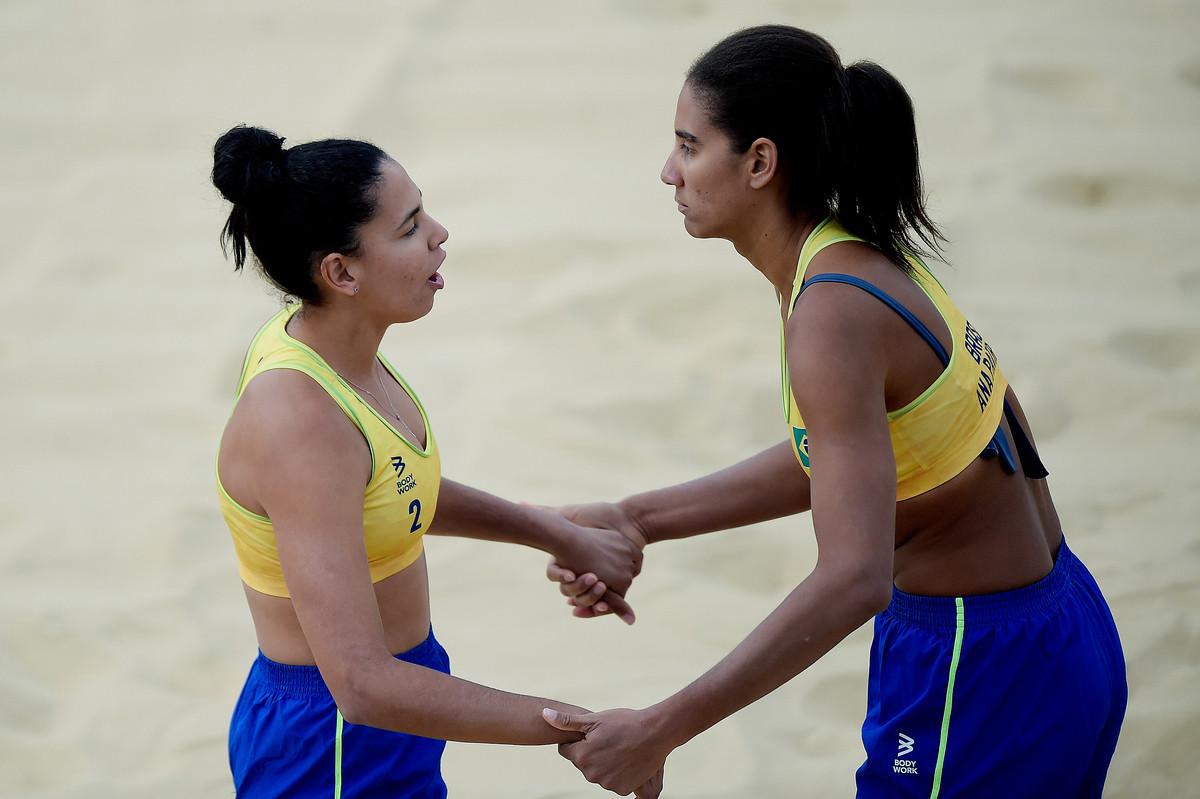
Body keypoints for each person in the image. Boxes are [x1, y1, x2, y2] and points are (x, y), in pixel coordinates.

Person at [542, 25, 1127, 798]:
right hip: (1059, 627)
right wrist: (637, 517)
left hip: (973, 667)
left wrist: (662, 726)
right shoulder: (854, 253)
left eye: (688, 146)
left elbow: (855, 577)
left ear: (759, 162)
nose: (667, 171)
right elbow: (848, 454)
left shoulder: (830, 314)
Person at [210, 125, 657, 798]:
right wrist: (576, 730)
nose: (440, 234)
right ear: (341, 271)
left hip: (401, 701)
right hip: (334, 741)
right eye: (411, 226)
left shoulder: (334, 353)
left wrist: (557, 531)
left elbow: (388, 489)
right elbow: (360, 683)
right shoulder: (297, 419)